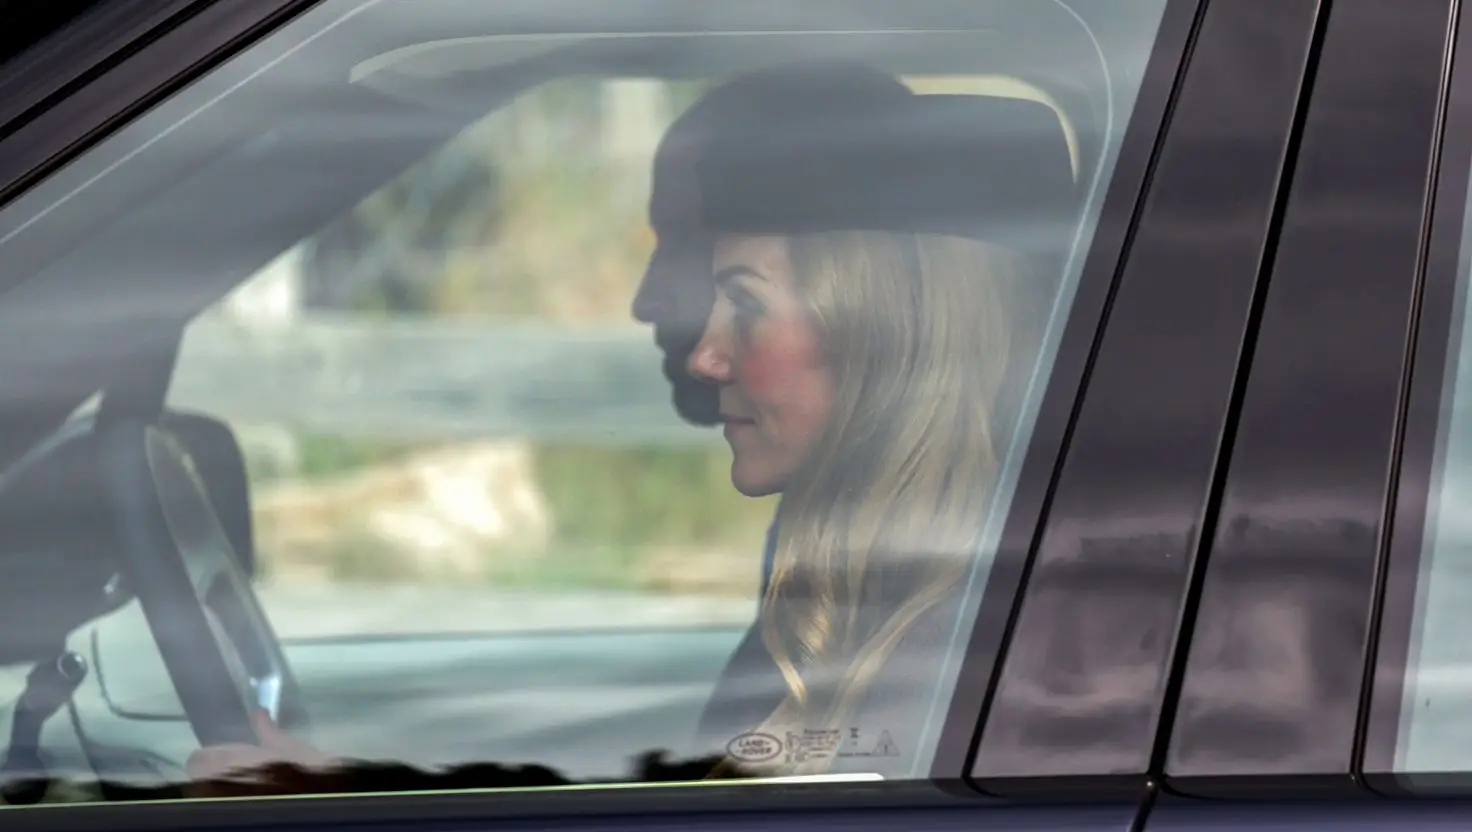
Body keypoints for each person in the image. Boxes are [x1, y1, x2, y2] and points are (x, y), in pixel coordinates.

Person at [186, 62, 1078, 785]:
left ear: (880, 334)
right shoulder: (865, 586)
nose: (701, 349)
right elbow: (688, 796)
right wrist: (353, 786)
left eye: (742, 301)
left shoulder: (960, 640)